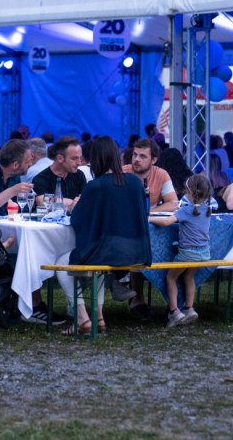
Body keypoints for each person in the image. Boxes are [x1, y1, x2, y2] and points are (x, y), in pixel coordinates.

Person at [57, 136, 151, 335]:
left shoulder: (96, 186)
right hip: (138, 251)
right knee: (97, 263)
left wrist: (75, 206)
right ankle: (98, 316)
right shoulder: (135, 182)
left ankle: (82, 318)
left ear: (95, 160)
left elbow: (78, 221)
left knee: (62, 264)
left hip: (109, 250)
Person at [149, 174, 212, 327]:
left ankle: (174, 312)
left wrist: (149, 218)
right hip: (203, 252)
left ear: (191, 193)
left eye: (186, 190)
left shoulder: (186, 210)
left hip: (188, 253)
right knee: (189, 277)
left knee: (171, 278)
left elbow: (166, 222)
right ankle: (189, 308)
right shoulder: (208, 208)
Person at [32, 136, 86, 211]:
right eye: (74, 158)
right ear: (60, 158)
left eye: (80, 158)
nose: (79, 163)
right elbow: (41, 201)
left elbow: (85, 200)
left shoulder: (79, 175)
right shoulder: (41, 179)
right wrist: (70, 203)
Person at [130, 138, 179, 212]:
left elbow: (173, 204)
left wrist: (148, 212)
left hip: (149, 217)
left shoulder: (161, 174)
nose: (136, 159)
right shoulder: (121, 173)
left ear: (153, 160)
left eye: (142, 156)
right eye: (135, 155)